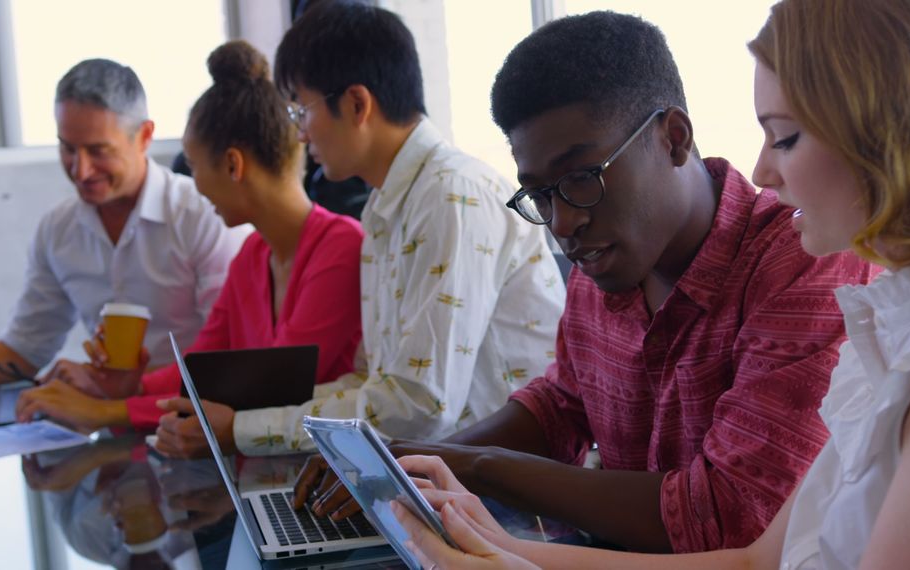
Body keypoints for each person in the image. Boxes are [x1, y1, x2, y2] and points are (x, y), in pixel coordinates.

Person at [390, 0, 910, 567]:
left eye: (783, 137)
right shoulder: (900, 320)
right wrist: (490, 543)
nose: (764, 170)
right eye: (541, 196)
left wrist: (486, 488)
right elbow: (757, 562)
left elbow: (729, 518)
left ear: (887, 134)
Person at [297, 10, 873, 553]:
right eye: (540, 194)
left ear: (674, 137)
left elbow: (727, 514)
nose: (562, 222)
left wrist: (475, 466)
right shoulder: (604, 262)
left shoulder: (800, 263)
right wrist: (414, 461)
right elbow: (563, 407)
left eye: (579, 178)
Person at [153, 0, 564, 459]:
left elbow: (421, 405)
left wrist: (246, 429)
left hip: (507, 499)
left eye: (300, 112)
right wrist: (240, 423)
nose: (301, 136)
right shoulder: (386, 204)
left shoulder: (452, 196)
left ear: (355, 104)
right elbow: (375, 382)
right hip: (443, 476)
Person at [15, 40, 365, 455]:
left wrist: (103, 412)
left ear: (233, 166)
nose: (192, 184)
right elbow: (197, 370)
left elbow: (275, 391)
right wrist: (126, 387)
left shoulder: (341, 248)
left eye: (194, 167)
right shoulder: (253, 255)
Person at [0, 58, 244, 384]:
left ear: (145, 136)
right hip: (107, 422)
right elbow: (23, 351)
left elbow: (231, 356)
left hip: (192, 418)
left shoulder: (204, 216)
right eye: (67, 148)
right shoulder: (57, 230)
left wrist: (108, 388)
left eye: (98, 151)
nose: (80, 170)